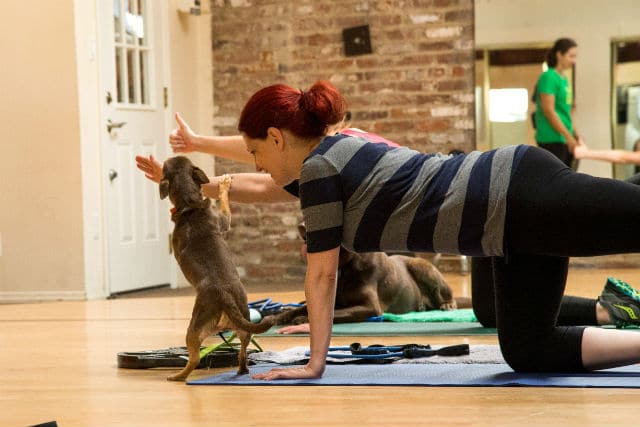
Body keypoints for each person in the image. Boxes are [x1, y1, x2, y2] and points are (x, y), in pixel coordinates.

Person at [137, 115, 638, 334]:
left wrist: (198, 155)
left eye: (264, 147)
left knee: (621, 209)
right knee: (492, 311)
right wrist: (192, 173)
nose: (261, 157)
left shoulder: (338, 154)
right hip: (485, 222)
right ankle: (608, 307)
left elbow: (267, 173)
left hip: (500, 190)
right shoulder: (314, 161)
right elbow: (265, 167)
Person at [534, 38, 583, 167]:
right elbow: (548, 110)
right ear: (559, 54)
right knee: (557, 182)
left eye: (575, 56)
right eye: (571, 56)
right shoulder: (549, 76)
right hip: (552, 139)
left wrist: (575, 134)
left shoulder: (564, 79)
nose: (574, 60)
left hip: (565, 137)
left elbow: (567, 112)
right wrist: (568, 136)